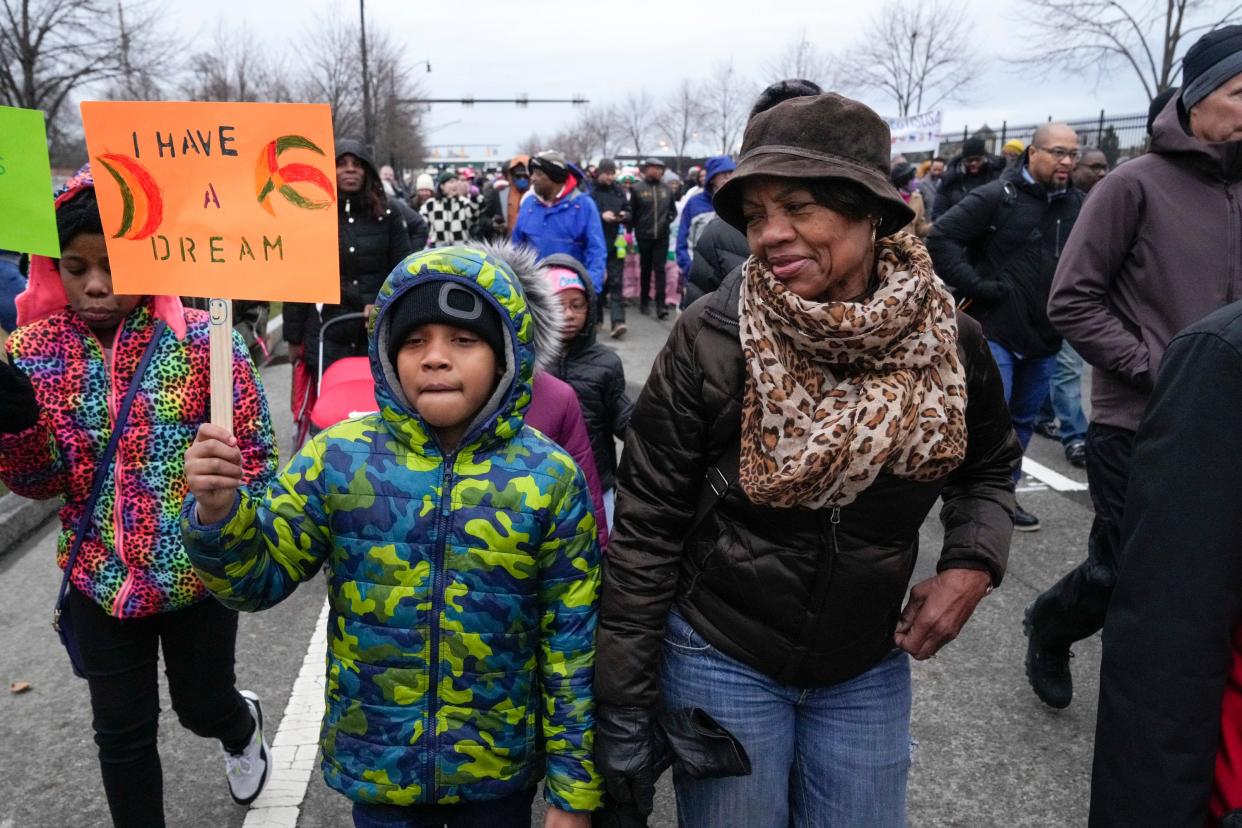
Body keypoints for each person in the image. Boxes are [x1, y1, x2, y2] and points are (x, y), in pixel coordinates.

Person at [595, 93, 1020, 828]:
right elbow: (646, 524)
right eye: (756, 215)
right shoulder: (711, 337)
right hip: (720, 652)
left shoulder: (948, 340)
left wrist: (972, 563)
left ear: (871, 212)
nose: (770, 235)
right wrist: (624, 707)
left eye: (798, 208)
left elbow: (986, 468)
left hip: (864, 662)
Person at [181, 244, 603, 828]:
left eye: (463, 340)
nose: (435, 359)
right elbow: (254, 581)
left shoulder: (550, 478)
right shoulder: (337, 459)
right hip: (380, 770)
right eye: (413, 341)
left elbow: (570, 646)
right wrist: (218, 512)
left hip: (496, 775)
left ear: (507, 353)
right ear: (385, 353)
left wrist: (572, 791)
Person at [0, 167, 277, 827]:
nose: (96, 285)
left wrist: (231, 510)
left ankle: (240, 728)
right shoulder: (31, 353)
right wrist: (15, 426)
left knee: (200, 705)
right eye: (76, 267)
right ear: (51, 267)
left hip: (197, 574)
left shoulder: (206, 341)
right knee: (121, 733)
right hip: (98, 579)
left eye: (114, 265)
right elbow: (41, 485)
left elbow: (260, 456)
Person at [1023, 25, 1242, 712]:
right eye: (1241, 92)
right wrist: (1161, 369)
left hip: (1229, 424)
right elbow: (1072, 300)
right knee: (1125, 573)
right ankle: (1051, 624)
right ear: (1200, 98)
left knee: (1208, 576)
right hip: (1139, 422)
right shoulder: (1132, 185)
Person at [1087, 302, 1242, 827]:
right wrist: (1146, 361)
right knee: (1113, 567)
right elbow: (1166, 635)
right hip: (1153, 405)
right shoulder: (1222, 354)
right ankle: (1055, 618)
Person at [927, 123, 1085, 532]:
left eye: (1073, 154)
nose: (1066, 161)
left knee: (1024, 421)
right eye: (1057, 152)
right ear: (1032, 153)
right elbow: (940, 237)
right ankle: (970, 499)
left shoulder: (1081, 206)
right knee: (988, 419)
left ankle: (1001, 499)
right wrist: (977, 285)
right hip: (995, 330)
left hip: (1046, 337)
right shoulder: (999, 196)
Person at [284, 139, 412, 375]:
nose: (350, 169)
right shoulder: (312, 216)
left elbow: (403, 270)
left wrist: (382, 302)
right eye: (341, 164)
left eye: (357, 164)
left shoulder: (388, 213)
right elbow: (298, 280)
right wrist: (293, 338)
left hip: (376, 330)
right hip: (327, 332)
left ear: (367, 171)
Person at [541, 254, 633, 532]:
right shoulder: (529, 361)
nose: (568, 314)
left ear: (590, 307)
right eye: (558, 305)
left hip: (598, 483)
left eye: (577, 305)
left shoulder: (606, 363)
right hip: (538, 483)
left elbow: (625, 421)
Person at [1034, 148, 1111, 465]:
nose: (1102, 173)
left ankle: (1068, 429)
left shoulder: (1103, 202)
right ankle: (1074, 434)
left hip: (1082, 301)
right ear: (1077, 168)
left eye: (1106, 167)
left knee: (1064, 368)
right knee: (1058, 368)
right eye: (1095, 167)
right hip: (1052, 300)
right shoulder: (1057, 203)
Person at [512, 150, 607, 293]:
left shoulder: (583, 205)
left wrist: (590, 289)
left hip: (571, 292)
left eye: (538, 174)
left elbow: (596, 251)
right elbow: (515, 247)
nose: (532, 178)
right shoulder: (528, 204)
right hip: (534, 292)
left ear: (554, 178)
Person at [627, 158, 677, 318]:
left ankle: (661, 306)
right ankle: (644, 301)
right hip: (644, 236)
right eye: (653, 168)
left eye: (659, 168)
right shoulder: (637, 189)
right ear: (646, 169)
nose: (657, 171)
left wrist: (668, 219)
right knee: (646, 270)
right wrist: (633, 230)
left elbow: (673, 211)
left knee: (660, 270)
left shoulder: (667, 190)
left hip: (662, 236)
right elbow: (632, 214)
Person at [589, 158, 631, 339]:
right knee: (597, 283)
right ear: (600, 172)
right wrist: (600, 215)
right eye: (607, 173)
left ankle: (618, 322)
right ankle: (596, 318)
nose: (611, 177)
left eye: (613, 173)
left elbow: (629, 210)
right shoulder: (590, 192)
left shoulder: (619, 191)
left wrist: (624, 214)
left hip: (616, 243)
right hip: (596, 245)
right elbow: (585, 216)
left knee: (616, 282)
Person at [674, 155, 735, 277]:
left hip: (734, 275)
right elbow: (683, 241)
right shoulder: (695, 203)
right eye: (723, 173)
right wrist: (690, 270)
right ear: (712, 178)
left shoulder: (740, 202)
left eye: (731, 172)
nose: (728, 177)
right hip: (700, 275)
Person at [931, 136, 1005, 220]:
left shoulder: (996, 176)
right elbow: (938, 213)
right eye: (969, 160)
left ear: (985, 159)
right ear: (963, 160)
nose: (973, 163)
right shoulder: (950, 179)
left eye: (977, 159)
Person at [474, 154, 532, 240]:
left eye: (525, 176)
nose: (522, 179)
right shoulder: (499, 194)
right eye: (518, 176)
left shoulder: (537, 195)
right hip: (506, 244)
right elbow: (483, 219)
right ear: (511, 176)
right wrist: (493, 224)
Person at [420, 171, 481, 248]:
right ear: (442, 186)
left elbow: (474, 218)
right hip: (438, 250)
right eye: (451, 182)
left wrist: (474, 199)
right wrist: (427, 239)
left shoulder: (464, 202)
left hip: (461, 249)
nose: (455, 185)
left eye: (456, 182)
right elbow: (421, 225)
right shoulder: (430, 204)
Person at [891, 161, 932, 237]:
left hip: (909, 245)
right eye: (912, 179)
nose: (916, 181)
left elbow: (919, 229)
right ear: (902, 181)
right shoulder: (890, 197)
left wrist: (933, 226)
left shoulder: (917, 198)